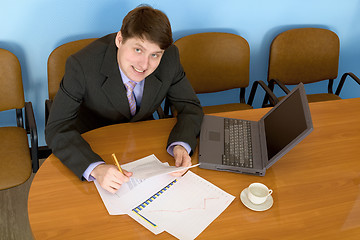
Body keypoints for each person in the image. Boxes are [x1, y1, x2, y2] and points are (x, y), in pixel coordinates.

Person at [45, 5, 203, 194]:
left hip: (142, 143)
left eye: (154, 55)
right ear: (119, 40)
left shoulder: (170, 58)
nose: (144, 65)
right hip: (93, 143)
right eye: (138, 49)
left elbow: (190, 106)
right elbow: (57, 127)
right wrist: (95, 167)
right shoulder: (82, 65)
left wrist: (181, 144)